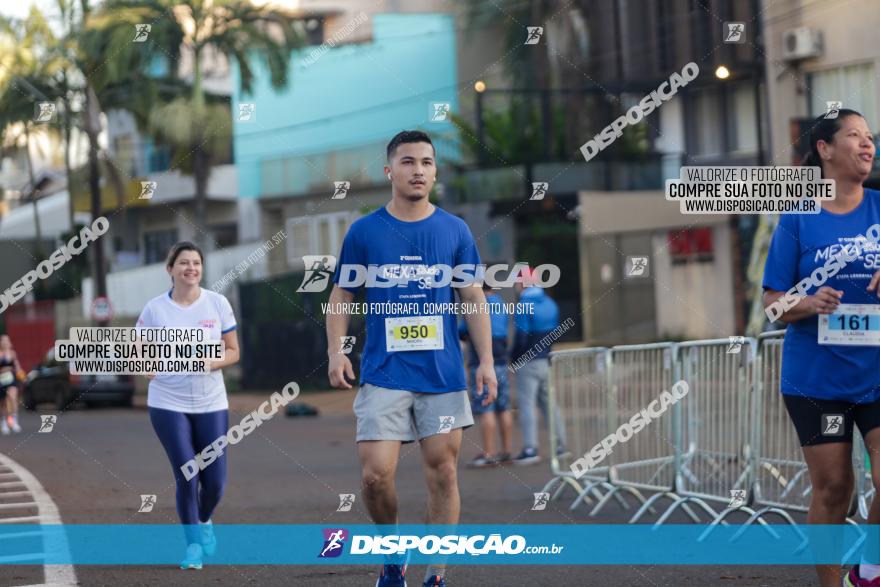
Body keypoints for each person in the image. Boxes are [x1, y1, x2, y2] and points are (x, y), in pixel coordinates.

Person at [326, 130, 497, 587]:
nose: (417, 169)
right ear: (389, 171)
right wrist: (336, 351)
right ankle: (392, 552)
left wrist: (485, 361)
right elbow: (341, 294)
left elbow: (473, 297)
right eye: (407, 161)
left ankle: (436, 575)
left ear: (435, 171)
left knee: (443, 472)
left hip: (441, 377)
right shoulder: (364, 231)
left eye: (426, 162)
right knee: (375, 475)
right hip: (384, 374)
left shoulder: (455, 230)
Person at [762, 109, 880, 587]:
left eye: (870, 137)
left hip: (876, 373)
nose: (867, 145)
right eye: (854, 135)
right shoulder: (797, 217)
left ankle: (868, 570)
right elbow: (772, 302)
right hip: (818, 381)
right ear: (825, 150)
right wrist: (807, 302)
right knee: (834, 489)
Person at [136, 242, 240, 570]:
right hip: (168, 401)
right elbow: (139, 350)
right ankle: (193, 545)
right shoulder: (155, 309)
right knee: (187, 473)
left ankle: (204, 519)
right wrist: (147, 367)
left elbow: (234, 350)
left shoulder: (217, 303)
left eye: (196, 262)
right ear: (170, 270)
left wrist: (211, 362)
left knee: (216, 483)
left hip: (211, 402)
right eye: (183, 263)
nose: (191, 268)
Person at [510, 274, 568, 466]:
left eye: (517, 282)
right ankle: (562, 446)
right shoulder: (550, 303)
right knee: (550, 404)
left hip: (528, 362)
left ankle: (530, 448)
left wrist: (514, 359)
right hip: (546, 359)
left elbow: (521, 337)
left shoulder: (524, 305)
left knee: (527, 406)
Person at [458, 283, 513, 467]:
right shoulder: (501, 303)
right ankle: (506, 450)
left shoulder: (475, 304)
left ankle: (489, 453)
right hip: (502, 362)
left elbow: (463, 331)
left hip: (481, 364)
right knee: (503, 407)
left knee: (486, 408)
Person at [0, 335, 23, 435]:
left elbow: (16, 366)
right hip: (1, 380)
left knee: (12, 397)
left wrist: (21, 373)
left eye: (6, 340)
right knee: (3, 403)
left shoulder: (13, 354)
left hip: (11, 378)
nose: (5, 342)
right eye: (3, 341)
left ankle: (14, 421)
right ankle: (4, 422)